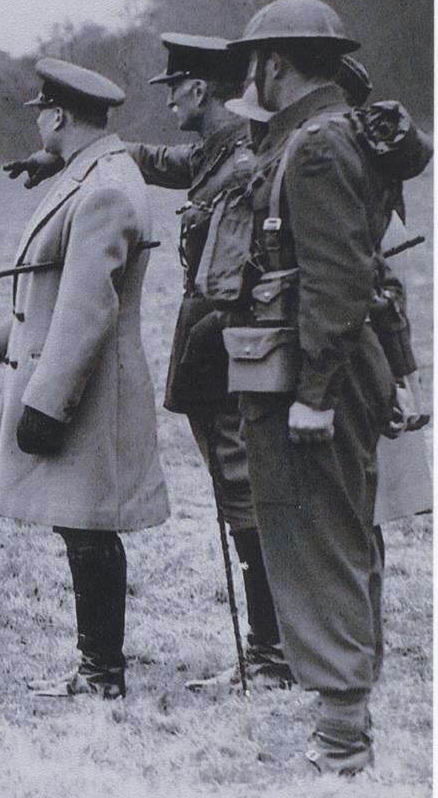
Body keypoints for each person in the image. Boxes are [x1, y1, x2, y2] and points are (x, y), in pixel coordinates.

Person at [218, 0, 416, 776]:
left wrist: (315, 393)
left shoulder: (318, 147)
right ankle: (343, 719)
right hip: (319, 365)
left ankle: (342, 739)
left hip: (315, 373)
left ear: (275, 64)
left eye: (254, 65)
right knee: (339, 535)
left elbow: (336, 283)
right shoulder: (329, 133)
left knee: (320, 543)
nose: (250, 78)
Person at [0, 58, 167, 699]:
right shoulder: (94, 175)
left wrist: (47, 404)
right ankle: (97, 668)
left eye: (42, 111)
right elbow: (56, 297)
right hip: (83, 381)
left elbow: (86, 309)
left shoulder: (102, 189)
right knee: (83, 525)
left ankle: (102, 673)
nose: (39, 121)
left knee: (89, 526)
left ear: (60, 116)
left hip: (89, 386)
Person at [125, 35, 292, 692]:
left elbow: (228, 284)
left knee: (243, 492)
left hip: (228, 347)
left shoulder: (240, 165)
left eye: (172, 89)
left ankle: (272, 654)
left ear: (196, 89)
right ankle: (277, 647)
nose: (167, 102)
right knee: (241, 491)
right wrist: (74, 156)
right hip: (216, 343)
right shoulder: (215, 154)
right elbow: (159, 159)